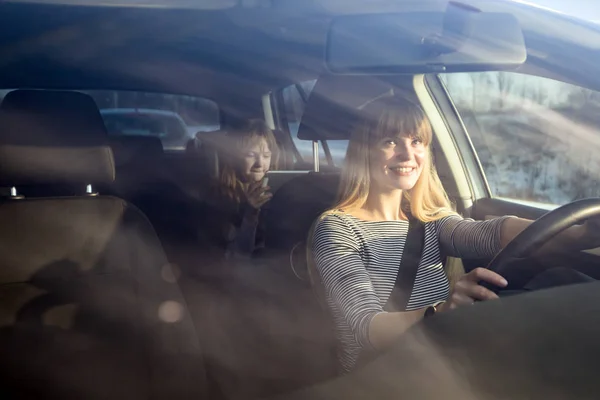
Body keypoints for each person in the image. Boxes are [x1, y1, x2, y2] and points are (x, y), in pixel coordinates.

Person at [309, 95, 600, 373]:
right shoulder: (337, 228)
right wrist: (441, 311)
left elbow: (491, 233)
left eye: (417, 141)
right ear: (364, 151)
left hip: (445, 352)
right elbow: (365, 327)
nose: (408, 154)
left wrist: (581, 234)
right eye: (390, 141)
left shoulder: (429, 217)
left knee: (561, 282)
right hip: (382, 373)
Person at [200, 119, 279, 260]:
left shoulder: (276, 190)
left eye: (266, 156)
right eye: (250, 155)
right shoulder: (219, 197)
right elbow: (236, 257)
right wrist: (249, 213)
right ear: (233, 158)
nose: (260, 164)